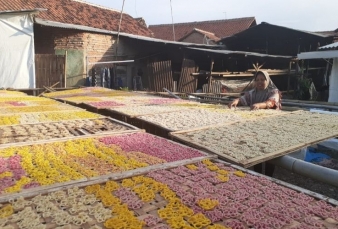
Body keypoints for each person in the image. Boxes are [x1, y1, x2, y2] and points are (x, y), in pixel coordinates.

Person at [228, 71, 281, 176]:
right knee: (257, 151)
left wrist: (260, 105)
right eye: (257, 80)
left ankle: (269, 176)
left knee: (269, 152)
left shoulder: (273, 91)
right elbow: (243, 99)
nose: (259, 82)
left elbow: (271, 102)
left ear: (267, 80)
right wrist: (236, 101)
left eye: (262, 80)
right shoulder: (252, 93)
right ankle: (257, 175)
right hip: (256, 127)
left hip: (270, 127)